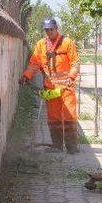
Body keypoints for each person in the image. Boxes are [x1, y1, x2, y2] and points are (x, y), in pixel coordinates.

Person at [20, 18, 80, 153]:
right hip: (51, 89)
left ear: (56, 28)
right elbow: (35, 63)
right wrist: (27, 75)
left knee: (69, 117)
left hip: (66, 88)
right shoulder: (41, 45)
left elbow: (75, 62)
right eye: (46, 30)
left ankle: (72, 147)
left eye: (51, 29)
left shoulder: (67, 43)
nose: (49, 32)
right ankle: (57, 146)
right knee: (54, 118)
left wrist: (71, 76)